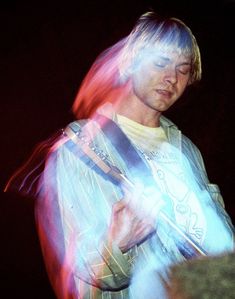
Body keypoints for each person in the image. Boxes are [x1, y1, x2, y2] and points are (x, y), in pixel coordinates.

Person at [5, 11, 234, 299]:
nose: (171, 77)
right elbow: (79, 270)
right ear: (130, 62)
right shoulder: (83, 148)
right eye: (161, 62)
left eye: (183, 68)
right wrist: (117, 244)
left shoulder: (186, 149)